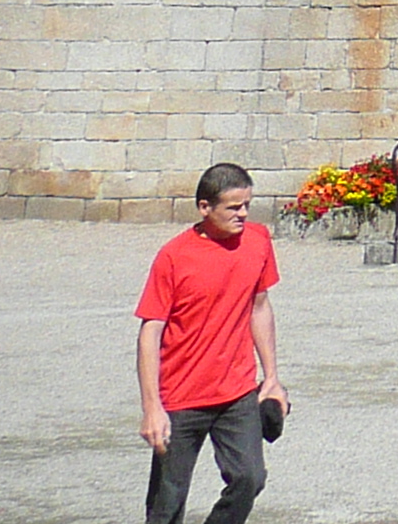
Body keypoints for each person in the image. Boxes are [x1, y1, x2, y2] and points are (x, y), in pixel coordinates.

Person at [136, 161, 288, 524]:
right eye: (233, 207)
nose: (243, 214)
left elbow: (260, 306)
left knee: (250, 478)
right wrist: (152, 407)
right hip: (181, 397)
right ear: (205, 207)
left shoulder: (258, 239)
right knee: (167, 504)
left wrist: (271, 378)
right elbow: (150, 332)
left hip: (236, 393)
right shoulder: (174, 256)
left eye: (247, 205)